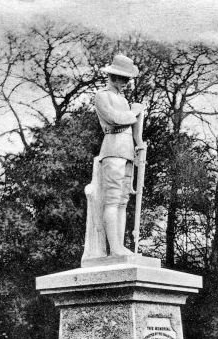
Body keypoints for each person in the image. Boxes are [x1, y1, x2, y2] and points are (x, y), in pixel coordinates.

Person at [95, 54, 144, 256]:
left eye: (127, 79)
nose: (125, 83)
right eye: (122, 78)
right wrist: (134, 113)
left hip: (127, 152)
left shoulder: (124, 100)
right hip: (112, 149)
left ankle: (120, 246)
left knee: (123, 200)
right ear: (113, 76)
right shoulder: (102, 95)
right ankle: (113, 247)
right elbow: (114, 119)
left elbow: (135, 130)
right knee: (113, 199)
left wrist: (139, 143)